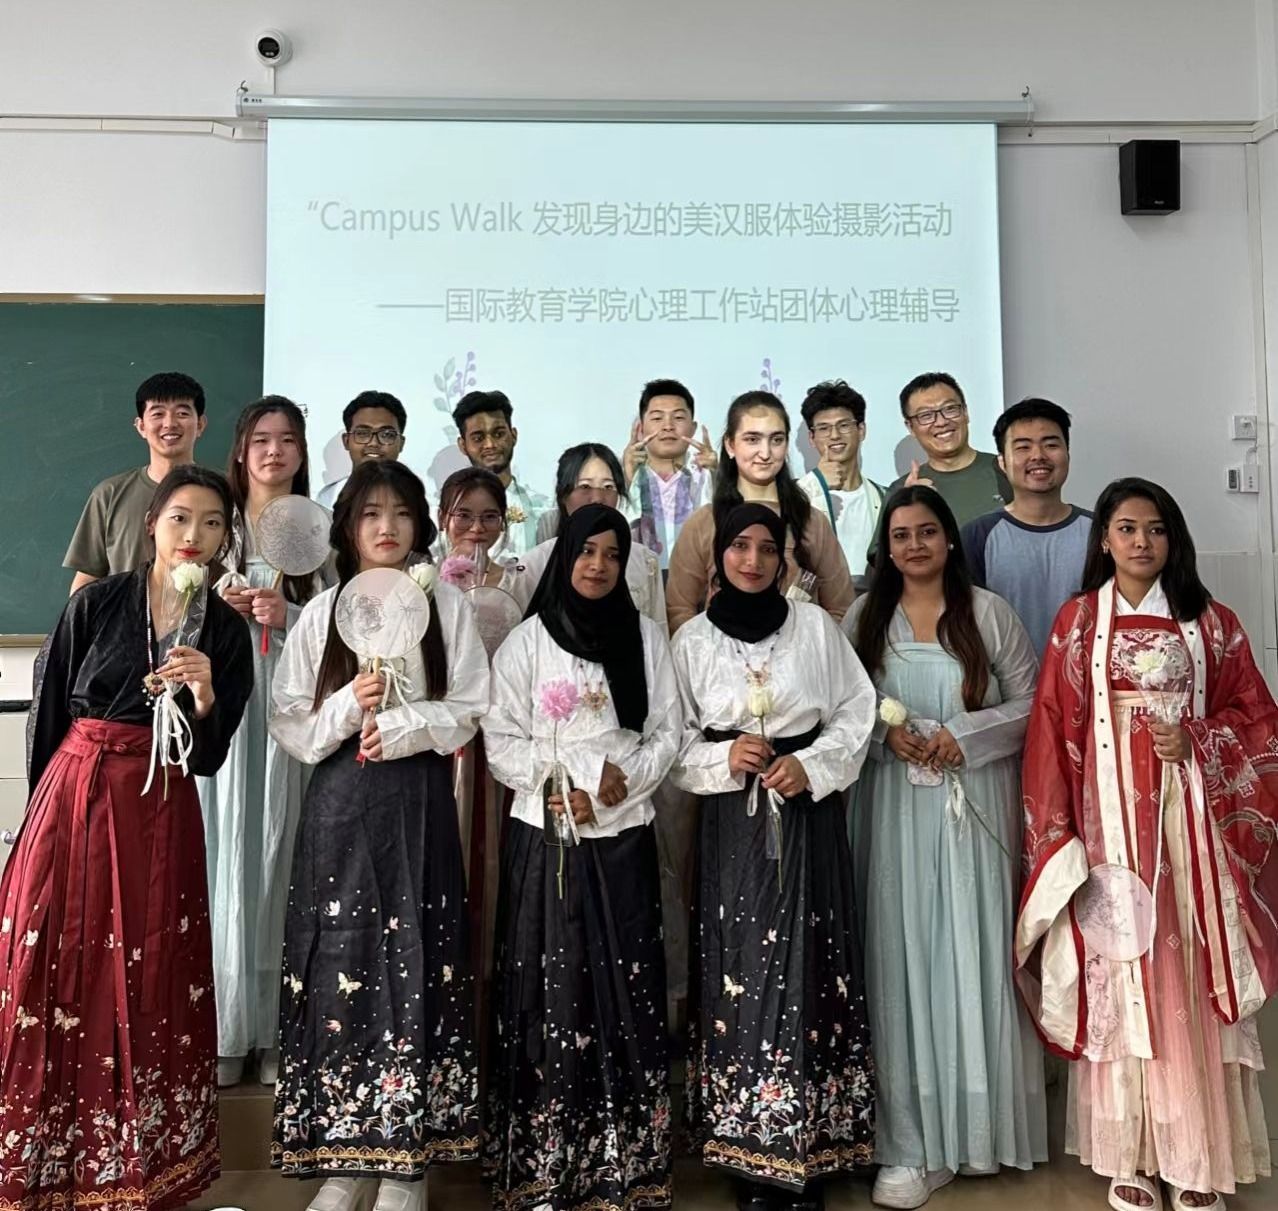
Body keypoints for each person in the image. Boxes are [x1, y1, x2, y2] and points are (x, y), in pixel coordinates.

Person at [1016, 478, 1278, 1211]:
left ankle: (1195, 1155)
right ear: (1103, 538)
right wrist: (1061, 833)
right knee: (1121, 961)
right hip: (1109, 830)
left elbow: (1257, 718)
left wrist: (1197, 738)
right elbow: (1052, 727)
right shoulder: (1079, 621)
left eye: (1156, 529)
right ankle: (1128, 1153)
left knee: (1185, 965)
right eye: (1127, 528)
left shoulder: (1211, 623)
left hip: (1191, 831)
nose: (1141, 541)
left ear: (1173, 539)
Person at [0, 466, 254, 1210]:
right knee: (52, 957)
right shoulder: (99, 601)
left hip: (160, 806)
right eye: (180, 518)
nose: (194, 535)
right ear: (151, 524)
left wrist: (203, 695)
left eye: (213, 523)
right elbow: (49, 708)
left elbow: (208, 756)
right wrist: (41, 813)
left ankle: (139, 1169)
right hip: (76, 794)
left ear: (226, 539)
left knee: (149, 970)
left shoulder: (223, 629)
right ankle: (41, 1162)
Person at [269, 461, 489, 1211]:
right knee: (340, 962)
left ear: (419, 524)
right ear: (348, 528)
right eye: (370, 514)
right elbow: (291, 724)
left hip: (418, 805)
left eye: (399, 512)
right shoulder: (321, 611)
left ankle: (406, 1166)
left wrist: (403, 724)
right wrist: (345, 704)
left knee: (419, 963)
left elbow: (471, 705)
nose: (386, 526)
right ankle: (345, 1161)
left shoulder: (445, 605)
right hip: (340, 807)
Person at [671, 503, 878, 1211]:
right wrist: (724, 757)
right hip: (732, 819)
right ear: (719, 555)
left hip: (807, 811)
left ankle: (813, 1148)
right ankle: (749, 1152)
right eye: (739, 546)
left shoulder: (814, 628)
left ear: (785, 558)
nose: (753, 560)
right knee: (744, 972)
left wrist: (811, 765)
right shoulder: (693, 641)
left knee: (812, 965)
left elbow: (856, 708)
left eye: (767, 548)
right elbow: (671, 742)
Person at [848, 485, 1046, 1208]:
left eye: (927, 531)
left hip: (973, 808)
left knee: (970, 948)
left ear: (950, 539)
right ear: (886, 547)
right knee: (900, 953)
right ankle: (909, 1141)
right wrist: (885, 734)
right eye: (901, 535)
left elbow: (1032, 703)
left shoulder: (987, 612)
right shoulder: (863, 618)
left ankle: (975, 1128)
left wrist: (964, 735)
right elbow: (843, 706)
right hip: (892, 808)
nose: (915, 545)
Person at [482, 504, 680, 1211]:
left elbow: (667, 734)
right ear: (564, 555)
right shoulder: (527, 641)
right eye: (586, 551)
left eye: (612, 554)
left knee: (623, 989)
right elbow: (499, 738)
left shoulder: (645, 636)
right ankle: (544, 1170)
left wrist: (614, 793)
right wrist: (568, 782)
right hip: (546, 836)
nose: (598, 565)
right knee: (549, 993)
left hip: (622, 838)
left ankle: (624, 1168)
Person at [199, 396, 327, 1090]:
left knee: (282, 860)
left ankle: (279, 1028)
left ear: (302, 453)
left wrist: (293, 612)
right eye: (261, 440)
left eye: (287, 440)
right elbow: (168, 606)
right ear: (241, 450)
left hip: (289, 714)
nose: (274, 452)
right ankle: (224, 1027)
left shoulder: (319, 532)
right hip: (225, 711)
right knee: (224, 860)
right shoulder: (214, 524)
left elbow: (347, 629)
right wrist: (215, 605)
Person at [434, 466, 525, 1044]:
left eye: (490, 516)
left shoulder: (518, 581)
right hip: (445, 744)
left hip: (502, 743)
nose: (476, 527)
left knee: (495, 863)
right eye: (463, 515)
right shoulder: (421, 579)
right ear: (442, 518)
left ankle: (493, 998)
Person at [666, 391, 855, 634]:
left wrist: (810, 648)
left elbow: (842, 609)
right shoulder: (705, 522)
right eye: (752, 439)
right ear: (730, 445)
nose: (765, 453)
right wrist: (709, 651)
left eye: (776, 440)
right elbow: (679, 610)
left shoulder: (811, 521)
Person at [961, 397, 1090, 655]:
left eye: (1051, 445)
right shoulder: (977, 536)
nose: (1038, 456)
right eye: (1023, 447)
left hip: (1084, 677)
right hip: (1004, 679)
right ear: (1002, 462)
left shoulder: (1100, 531)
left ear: (1067, 454)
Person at [64, 370, 208, 592]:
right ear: (141, 426)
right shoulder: (109, 494)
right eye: (157, 414)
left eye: (182, 413)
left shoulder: (223, 492)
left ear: (200, 425)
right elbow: (86, 582)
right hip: (123, 615)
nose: (169, 423)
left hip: (205, 615)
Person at [518, 442, 666, 626]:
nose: (597, 498)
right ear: (563, 495)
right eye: (585, 486)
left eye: (608, 487)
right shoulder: (533, 565)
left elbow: (658, 629)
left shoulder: (644, 561)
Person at [887, 372, 1012, 530]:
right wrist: (907, 507)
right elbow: (884, 545)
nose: (941, 422)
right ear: (910, 427)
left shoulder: (1006, 470)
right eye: (926, 415)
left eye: (950, 409)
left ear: (965, 412)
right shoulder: (901, 492)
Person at [621, 378, 717, 571]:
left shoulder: (705, 474)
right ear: (641, 428)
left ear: (693, 428)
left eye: (678, 418)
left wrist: (718, 475)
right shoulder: (621, 475)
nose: (668, 426)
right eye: (657, 418)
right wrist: (626, 478)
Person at [796, 379, 885, 584]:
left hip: (875, 600)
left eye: (844, 425)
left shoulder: (884, 497)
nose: (835, 435)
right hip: (817, 601)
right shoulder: (799, 494)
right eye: (824, 428)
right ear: (811, 438)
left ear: (861, 430)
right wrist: (816, 483)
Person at [452, 389, 551, 554]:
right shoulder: (451, 512)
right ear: (463, 445)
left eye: (498, 434)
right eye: (478, 438)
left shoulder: (542, 510)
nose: (490, 445)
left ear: (514, 435)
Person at [315, 390, 407, 510]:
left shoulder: (418, 499)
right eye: (363, 433)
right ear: (346, 441)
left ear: (401, 444)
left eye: (386, 434)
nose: (374, 443)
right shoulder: (326, 499)